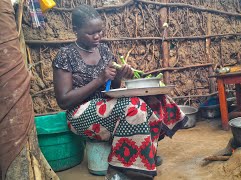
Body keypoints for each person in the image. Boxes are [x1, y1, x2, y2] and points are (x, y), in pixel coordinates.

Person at [52, 4, 187, 178]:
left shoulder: (104, 50)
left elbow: (113, 89)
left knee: (156, 99)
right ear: (75, 30)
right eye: (91, 33)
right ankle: (123, 169)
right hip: (79, 115)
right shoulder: (65, 55)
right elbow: (63, 101)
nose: (97, 36)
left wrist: (120, 76)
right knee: (133, 107)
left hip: (106, 106)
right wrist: (99, 80)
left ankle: (145, 153)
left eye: (100, 31)